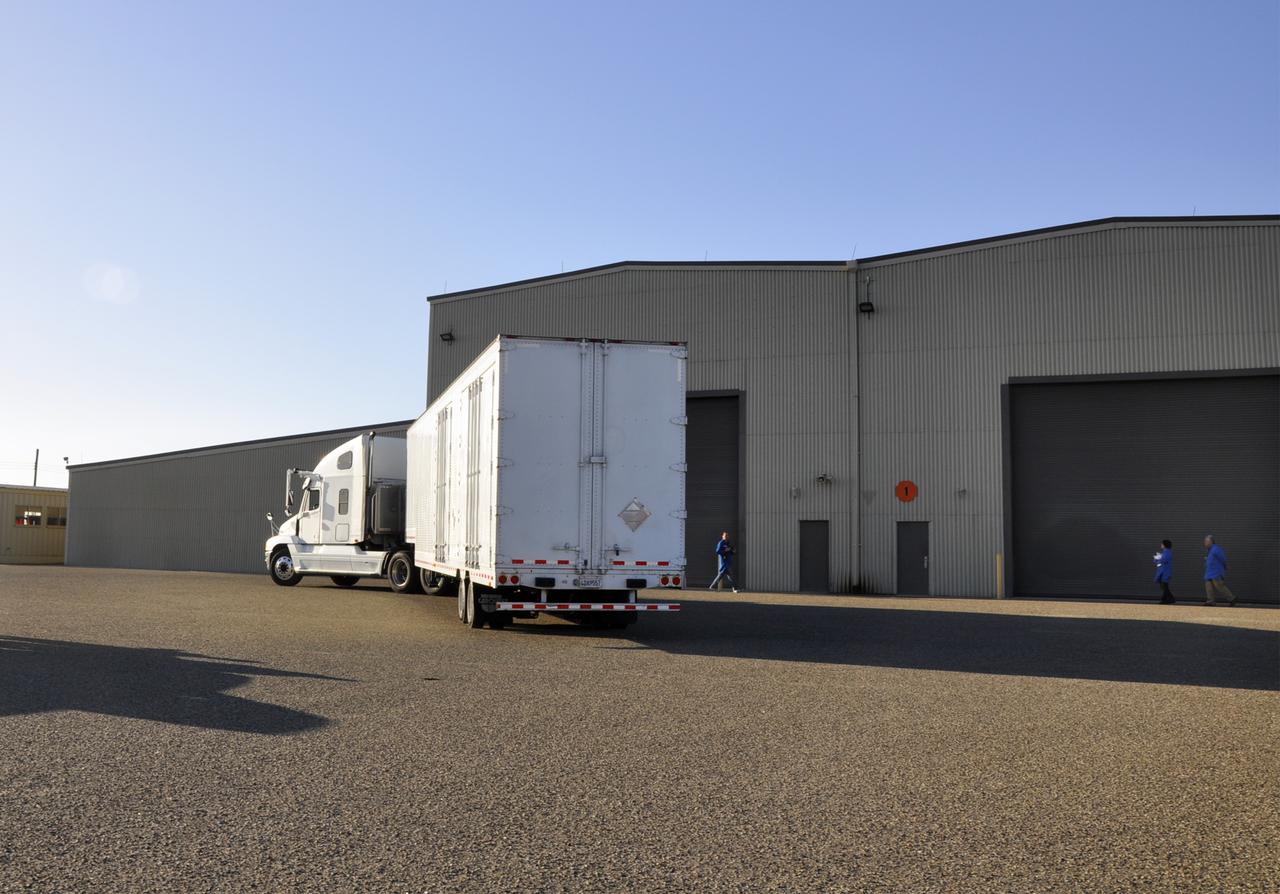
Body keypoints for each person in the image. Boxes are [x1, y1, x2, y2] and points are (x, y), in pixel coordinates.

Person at [1202, 535, 1237, 607]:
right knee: (1208, 586)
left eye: (1206, 541)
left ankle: (1232, 598)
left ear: (1211, 542)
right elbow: (1213, 559)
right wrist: (1207, 559)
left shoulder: (1216, 549)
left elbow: (1223, 559)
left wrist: (1224, 568)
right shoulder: (1211, 550)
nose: (1204, 543)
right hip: (1209, 573)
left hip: (1216, 573)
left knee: (1219, 586)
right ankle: (1210, 601)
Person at [1153, 539, 1174, 604]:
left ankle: (1170, 599)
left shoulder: (1167, 552)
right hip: (1164, 572)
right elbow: (1160, 561)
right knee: (1164, 586)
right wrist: (1158, 559)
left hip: (1164, 572)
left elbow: (1163, 560)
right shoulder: (1166, 552)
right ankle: (1165, 599)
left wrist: (1157, 558)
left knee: (1164, 586)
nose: (1161, 545)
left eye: (1162, 544)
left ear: (1164, 545)